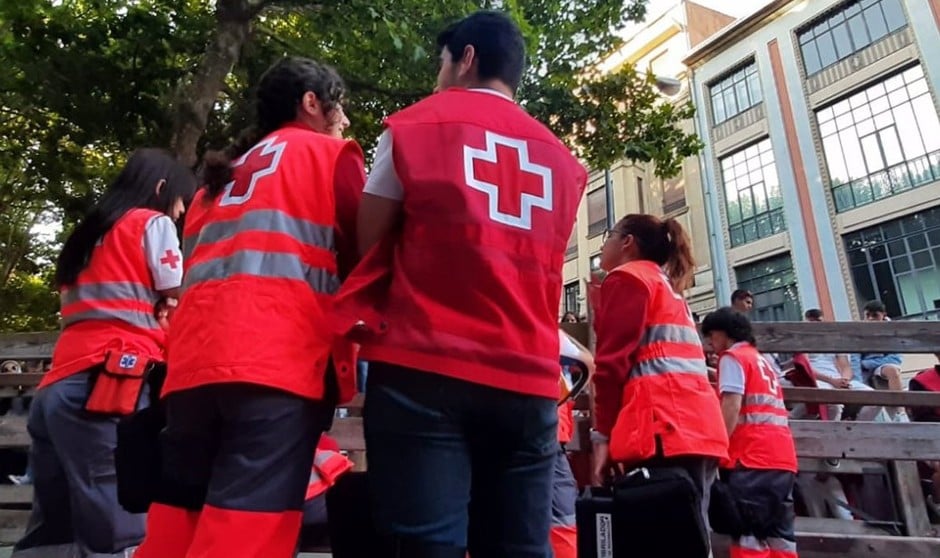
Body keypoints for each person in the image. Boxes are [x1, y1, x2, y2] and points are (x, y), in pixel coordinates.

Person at [332, 10, 587, 557]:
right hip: (528, 380)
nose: (438, 76)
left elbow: (368, 240)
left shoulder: (414, 128)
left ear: (466, 57)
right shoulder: (565, 163)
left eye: (442, 62)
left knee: (425, 546)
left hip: (425, 368)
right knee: (519, 546)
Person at [134, 56, 366, 558]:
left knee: (178, 514)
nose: (344, 121)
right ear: (311, 104)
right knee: (248, 526)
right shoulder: (328, 158)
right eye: (339, 108)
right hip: (275, 367)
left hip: (192, 369)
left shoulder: (217, 182)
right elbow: (366, 258)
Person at [12, 150, 194, 558]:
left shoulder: (88, 236)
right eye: (181, 205)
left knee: (56, 524)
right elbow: (177, 284)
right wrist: (174, 302)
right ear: (162, 189)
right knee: (118, 512)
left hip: (58, 388)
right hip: (109, 385)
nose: (179, 217)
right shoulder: (152, 222)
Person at [590, 214, 729, 536]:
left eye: (609, 235)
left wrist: (602, 438)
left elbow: (611, 367)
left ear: (627, 242)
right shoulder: (666, 287)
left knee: (665, 541)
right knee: (693, 538)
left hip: (661, 427)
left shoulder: (627, 278)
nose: (603, 244)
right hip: (696, 426)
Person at [703, 307, 798, 558]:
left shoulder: (732, 358)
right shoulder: (760, 359)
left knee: (748, 536)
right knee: (781, 538)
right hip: (782, 460)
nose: (711, 344)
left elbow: (732, 403)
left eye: (712, 336)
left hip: (751, 458)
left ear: (724, 334)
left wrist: (718, 446)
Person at [553, 330, 594, 558]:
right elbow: (587, 361)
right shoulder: (545, 328)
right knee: (562, 518)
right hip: (546, 434)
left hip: (482, 434)